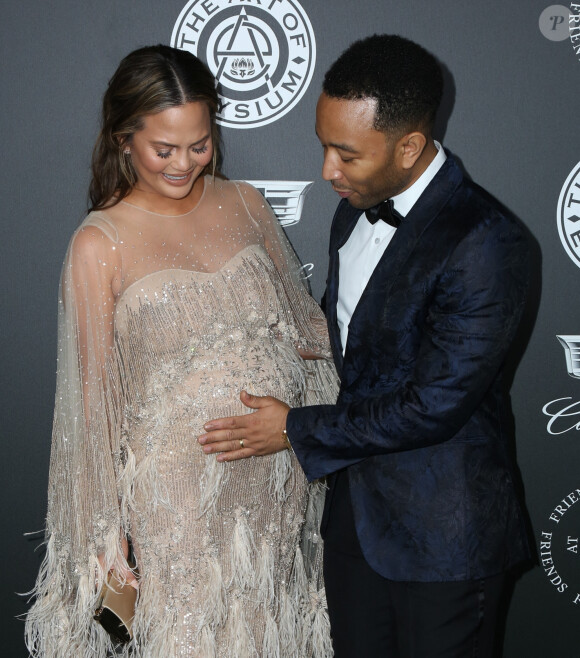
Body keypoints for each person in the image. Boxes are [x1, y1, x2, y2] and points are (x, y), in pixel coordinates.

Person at [198, 34, 531, 657]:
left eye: (345, 153)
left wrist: (295, 428)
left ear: (408, 147)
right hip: (354, 524)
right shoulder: (354, 206)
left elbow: (434, 403)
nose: (327, 170)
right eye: (323, 144)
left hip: (445, 541)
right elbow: (355, 321)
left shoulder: (485, 242)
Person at [25, 44, 338, 658]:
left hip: (273, 482)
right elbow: (94, 408)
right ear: (123, 138)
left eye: (198, 145)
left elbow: (310, 337)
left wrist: (310, 423)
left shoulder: (246, 201)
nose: (183, 164)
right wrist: (105, 539)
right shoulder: (99, 243)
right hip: (178, 501)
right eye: (162, 149)